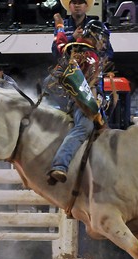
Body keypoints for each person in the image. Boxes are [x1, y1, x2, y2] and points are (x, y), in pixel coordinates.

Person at [48, 16, 109, 183]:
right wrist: (96, 103)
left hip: (61, 98)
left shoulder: (70, 47)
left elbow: (58, 43)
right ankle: (60, 164)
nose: (103, 44)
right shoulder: (91, 56)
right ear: (95, 36)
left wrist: (60, 26)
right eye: (102, 39)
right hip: (78, 102)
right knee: (85, 126)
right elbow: (91, 85)